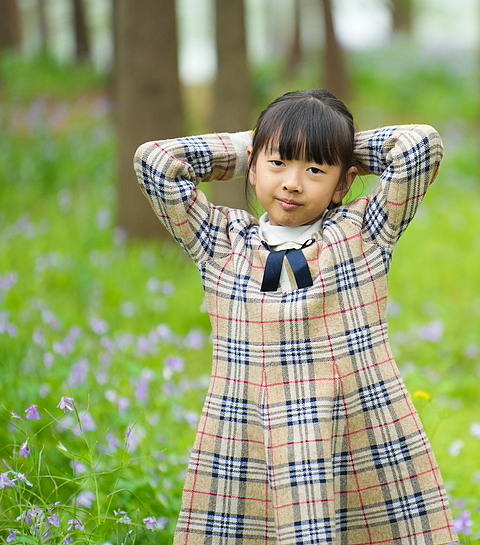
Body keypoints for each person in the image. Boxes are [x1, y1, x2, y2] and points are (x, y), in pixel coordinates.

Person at [135, 89, 456, 544]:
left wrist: (340, 148)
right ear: (253, 164)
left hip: (354, 436)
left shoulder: (363, 234)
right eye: (278, 164)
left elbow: (419, 146)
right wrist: (255, 143)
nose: (292, 183)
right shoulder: (222, 243)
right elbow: (156, 162)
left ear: (343, 184)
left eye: (314, 170)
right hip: (250, 440)